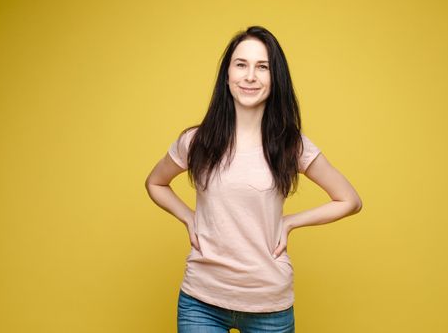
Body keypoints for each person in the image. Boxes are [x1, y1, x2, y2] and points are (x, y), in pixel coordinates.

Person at [145, 25, 363, 333]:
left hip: (268, 305)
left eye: (262, 67)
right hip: (201, 302)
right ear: (227, 74)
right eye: (241, 64)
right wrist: (188, 217)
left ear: (275, 79)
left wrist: (289, 222)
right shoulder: (196, 141)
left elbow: (349, 200)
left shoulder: (291, 144)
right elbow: (155, 182)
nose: (250, 76)